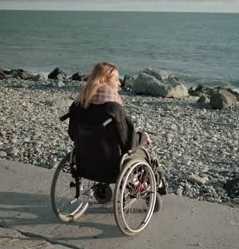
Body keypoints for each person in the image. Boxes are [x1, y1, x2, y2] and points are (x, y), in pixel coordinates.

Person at [68, 62, 166, 194]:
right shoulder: (113, 109)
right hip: (112, 166)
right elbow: (129, 142)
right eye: (116, 79)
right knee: (141, 153)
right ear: (103, 80)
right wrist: (144, 137)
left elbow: (73, 134)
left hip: (85, 163)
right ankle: (145, 184)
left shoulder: (78, 104)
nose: (120, 83)